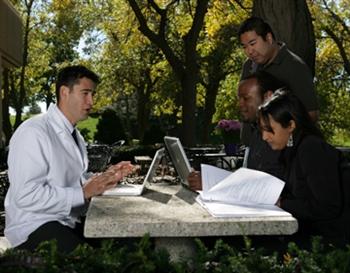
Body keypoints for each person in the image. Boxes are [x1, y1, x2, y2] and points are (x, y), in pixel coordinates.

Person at [4, 65, 134, 253]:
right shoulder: (33, 132)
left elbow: (76, 179)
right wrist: (81, 193)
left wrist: (107, 177)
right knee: (103, 262)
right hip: (34, 228)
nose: (91, 101)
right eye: (85, 93)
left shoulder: (74, 134)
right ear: (65, 92)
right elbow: (25, 195)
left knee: (127, 243)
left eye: (93, 94)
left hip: (67, 221)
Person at [258, 90, 347, 247]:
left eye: (269, 129)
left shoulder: (311, 148)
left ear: (291, 125)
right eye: (262, 130)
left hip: (332, 245)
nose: (264, 137)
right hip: (313, 237)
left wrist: (282, 203)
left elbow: (327, 206)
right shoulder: (290, 150)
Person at [188, 71, 285, 191]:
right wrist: (209, 179)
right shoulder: (256, 133)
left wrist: (211, 183)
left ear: (268, 97)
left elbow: (267, 189)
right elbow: (249, 180)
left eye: (246, 98)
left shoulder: (281, 138)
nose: (240, 104)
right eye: (239, 98)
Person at [238, 17, 319, 145]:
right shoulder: (248, 66)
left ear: (269, 38)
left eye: (253, 43)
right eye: (244, 47)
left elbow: (311, 115)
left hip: (284, 152)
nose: (249, 51)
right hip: (252, 148)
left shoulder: (295, 66)